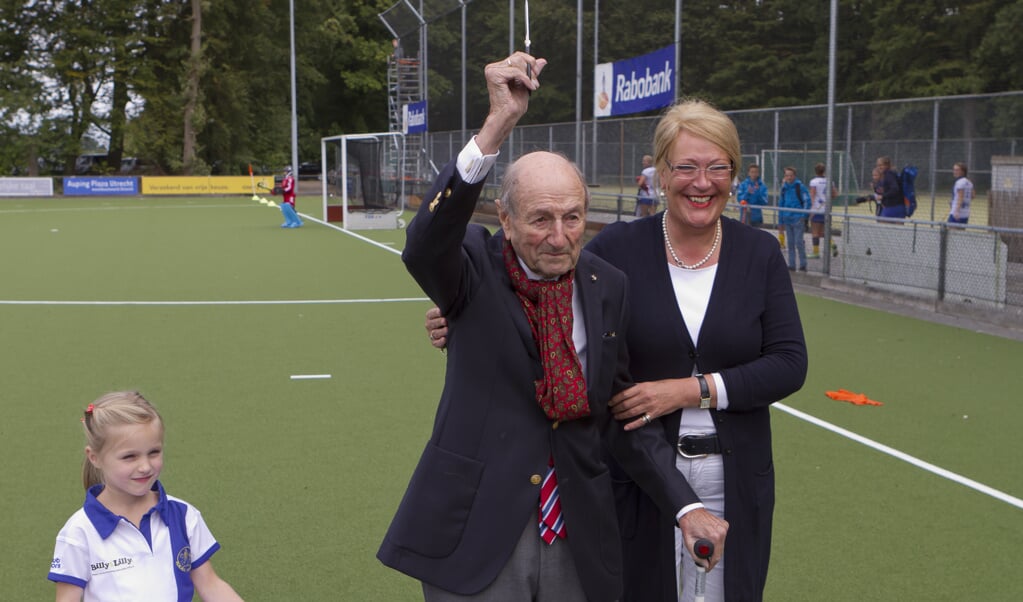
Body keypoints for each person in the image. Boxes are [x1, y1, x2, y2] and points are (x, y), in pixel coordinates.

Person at [426, 98, 808, 601]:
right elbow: (527, 265)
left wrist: (688, 391)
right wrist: (462, 312)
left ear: (733, 173)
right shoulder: (615, 252)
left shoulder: (759, 253)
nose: (702, 181)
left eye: (718, 167)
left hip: (734, 472)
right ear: (660, 173)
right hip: (636, 473)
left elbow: (788, 363)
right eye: (686, 166)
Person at [378, 54, 727, 602]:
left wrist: (686, 504)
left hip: (578, 534)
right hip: (479, 530)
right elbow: (426, 242)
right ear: (507, 219)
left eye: (572, 217)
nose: (560, 236)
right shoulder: (471, 268)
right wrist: (497, 123)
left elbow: (619, 409)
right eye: (541, 219)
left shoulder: (606, 285)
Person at [48, 391, 244, 602]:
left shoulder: (183, 515)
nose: (145, 466)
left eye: (154, 452)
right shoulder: (78, 532)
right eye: (129, 456)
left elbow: (211, 585)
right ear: (94, 457)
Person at [778, 166, 810, 271]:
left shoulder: (800, 187)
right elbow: (781, 203)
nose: (789, 177)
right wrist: (781, 220)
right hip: (787, 218)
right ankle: (791, 264)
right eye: (787, 175)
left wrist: (803, 215)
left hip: (797, 218)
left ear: (794, 176)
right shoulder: (784, 188)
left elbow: (807, 201)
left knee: (799, 242)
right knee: (790, 243)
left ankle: (803, 264)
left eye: (791, 175)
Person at [807, 162, 839, 258]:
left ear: (815, 171)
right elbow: (835, 194)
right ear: (824, 171)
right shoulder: (830, 181)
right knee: (824, 231)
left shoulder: (814, 182)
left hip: (817, 209)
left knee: (815, 232)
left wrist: (811, 210)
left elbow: (812, 196)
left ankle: (816, 252)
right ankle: (832, 244)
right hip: (827, 209)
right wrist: (826, 199)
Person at [875, 156, 905, 220]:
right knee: (898, 228)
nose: (879, 167)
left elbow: (895, 189)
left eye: (881, 165)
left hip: (892, 206)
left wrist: (883, 196)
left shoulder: (888, 174)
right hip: (900, 206)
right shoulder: (893, 173)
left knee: (883, 227)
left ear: (887, 165)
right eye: (877, 165)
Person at [949, 162, 973, 226]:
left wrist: (957, 210)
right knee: (961, 233)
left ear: (963, 172)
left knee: (951, 233)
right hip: (966, 213)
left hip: (957, 213)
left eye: (957, 170)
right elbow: (972, 196)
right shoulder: (969, 182)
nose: (954, 172)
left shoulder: (960, 182)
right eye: (954, 170)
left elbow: (961, 197)